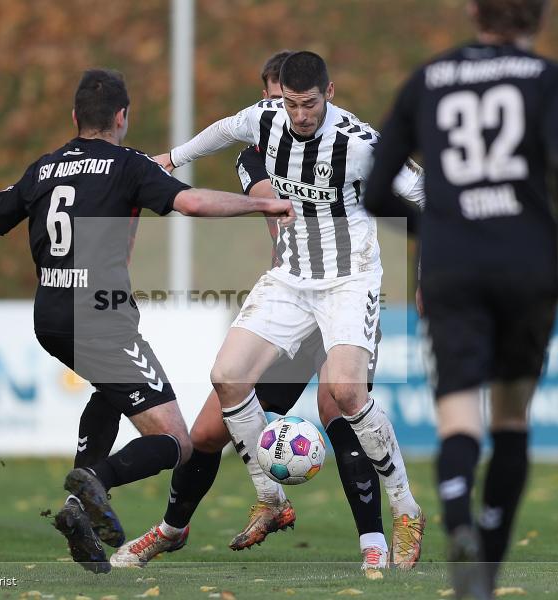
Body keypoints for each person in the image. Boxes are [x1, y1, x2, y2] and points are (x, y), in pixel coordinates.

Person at [0, 69, 293, 574]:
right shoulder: (128, 166)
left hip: (51, 316)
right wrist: (264, 203)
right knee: (175, 442)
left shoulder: (43, 169)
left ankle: (79, 508)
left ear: (75, 117)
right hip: (99, 317)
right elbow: (190, 202)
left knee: (110, 395)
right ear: (123, 117)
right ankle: (91, 483)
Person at [113, 51, 394, 574]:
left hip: (340, 295)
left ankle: (374, 541)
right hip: (288, 304)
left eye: (287, 101)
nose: (282, 111)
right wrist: (174, 162)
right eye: (273, 100)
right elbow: (270, 204)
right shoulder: (254, 156)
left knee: (340, 407)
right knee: (204, 435)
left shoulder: (337, 146)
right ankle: (172, 530)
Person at [363, 0, 558, 596]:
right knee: (514, 417)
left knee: (459, 415)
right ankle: (486, 566)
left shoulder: (428, 79)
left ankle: (458, 516)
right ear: (538, 18)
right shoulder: (553, 79)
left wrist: (439, 229)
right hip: (526, 261)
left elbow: (374, 187)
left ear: (475, 12)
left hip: (453, 267)